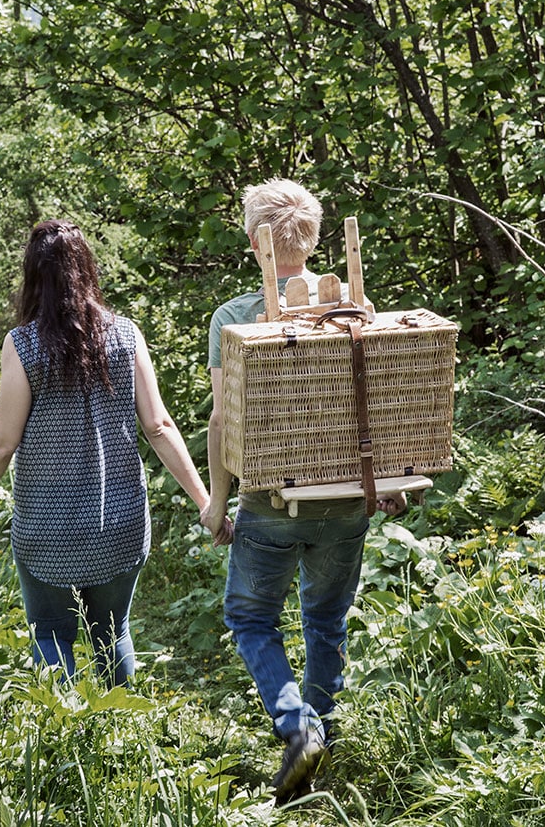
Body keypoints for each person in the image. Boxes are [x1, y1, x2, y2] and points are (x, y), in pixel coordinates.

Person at [0, 219, 210, 687]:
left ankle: (65, 738)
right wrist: (206, 502)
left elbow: (3, 445)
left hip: (47, 528)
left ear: (33, 278)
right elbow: (160, 426)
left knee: (50, 634)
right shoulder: (126, 335)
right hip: (118, 522)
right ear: (87, 270)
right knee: (112, 632)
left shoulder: (22, 345)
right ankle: (118, 729)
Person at [202, 178, 392, 804]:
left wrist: (217, 498)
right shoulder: (354, 309)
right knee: (327, 620)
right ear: (310, 235)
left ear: (254, 237)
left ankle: (297, 726)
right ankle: (322, 741)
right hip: (347, 499)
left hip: (271, 501)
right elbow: (379, 407)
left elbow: (225, 421)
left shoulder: (234, 317)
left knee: (251, 615)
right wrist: (386, 479)